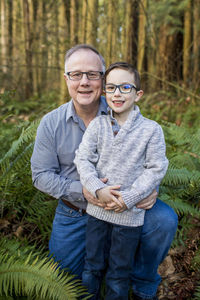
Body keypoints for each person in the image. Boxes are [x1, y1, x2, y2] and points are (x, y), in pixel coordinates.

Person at [31, 44, 178, 300]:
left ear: (104, 78)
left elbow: (149, 161)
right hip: (74, 210)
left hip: (125, 203)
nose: (84, 82)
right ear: (66, 79)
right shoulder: (51, 123)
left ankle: (142, 285)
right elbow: (41, 175)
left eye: (93, 74)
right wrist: (86, 191)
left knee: (163, 220)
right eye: (76, 74)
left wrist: (151, 191)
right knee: (63, 285)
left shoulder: (121, 106)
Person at [73, 61, 169, 300]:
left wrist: (129, 197)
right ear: (104, 93)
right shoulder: (98, 125)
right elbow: (82, 159)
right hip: (98, 211)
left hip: (129, 216)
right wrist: (97, 188)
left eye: (125, 87)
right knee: (92, 266)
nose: (117, 93)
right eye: (111, 87)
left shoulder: (151, 130)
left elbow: (156, 168)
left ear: (138, 94)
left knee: (119, 272)